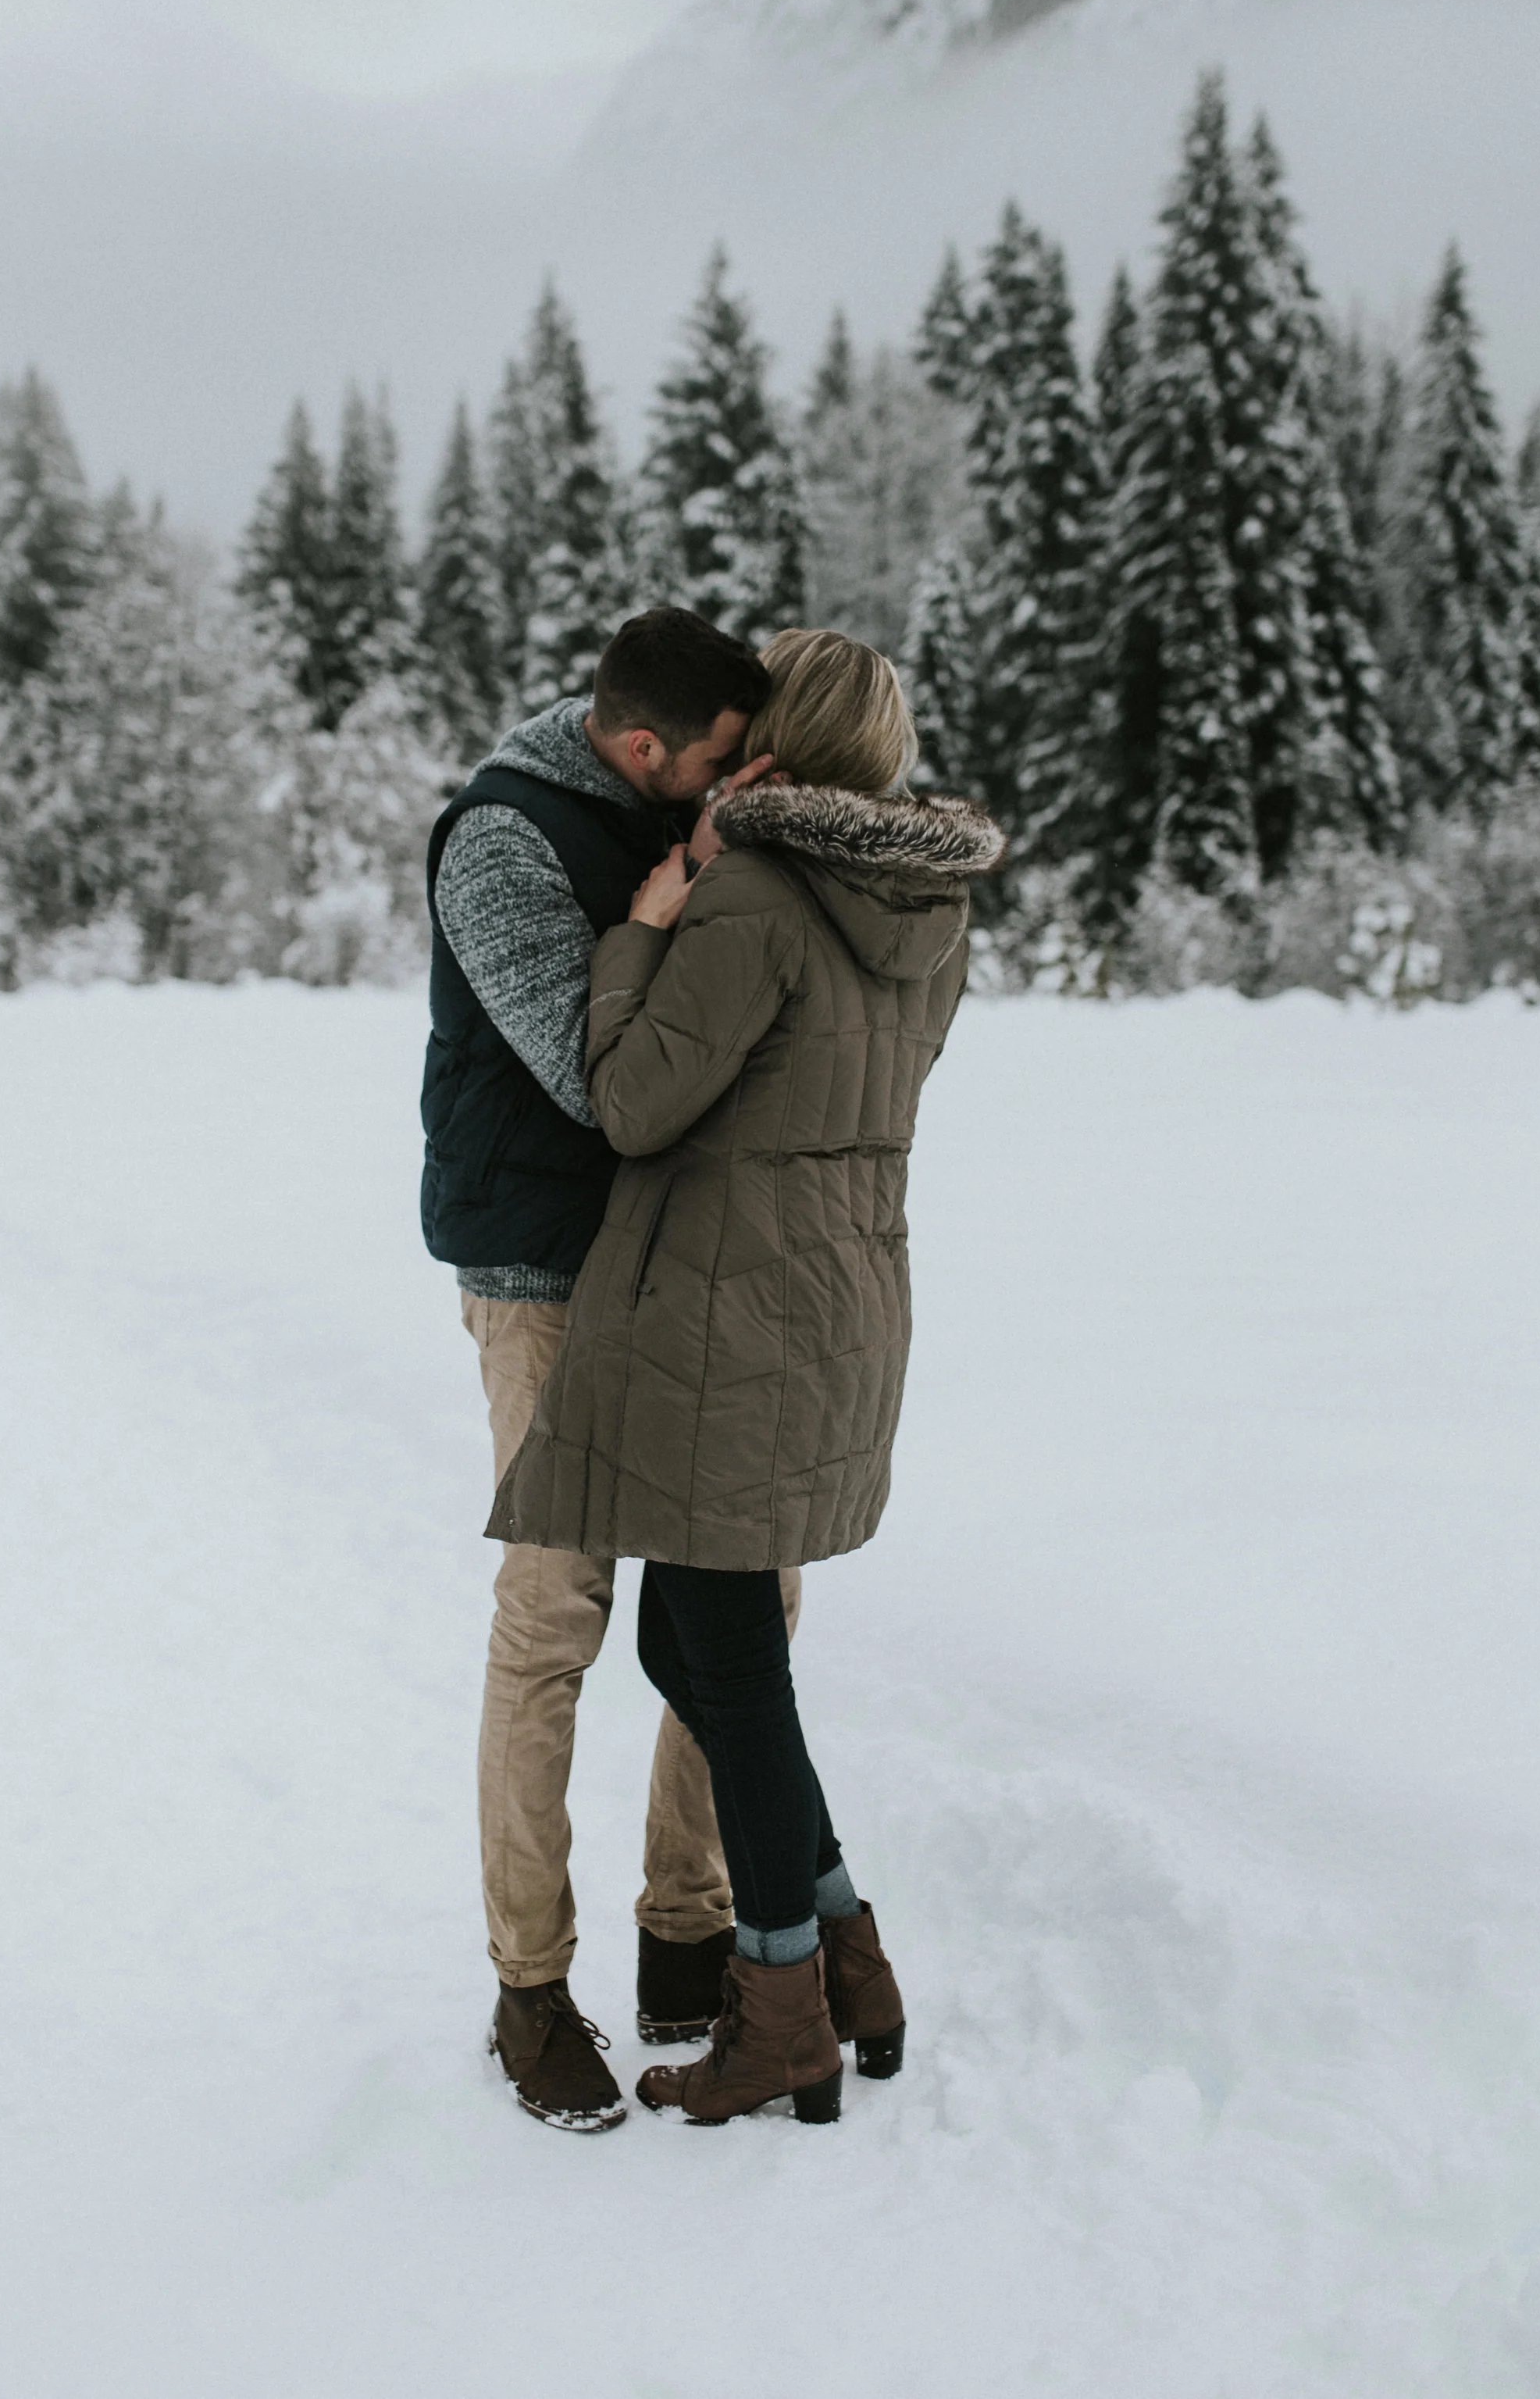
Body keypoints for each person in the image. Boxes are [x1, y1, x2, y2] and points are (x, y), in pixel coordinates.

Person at [490, 627, 1004, 2125]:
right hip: (842, 1300)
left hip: (727, 1316)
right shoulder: (934, 906)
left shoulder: (759, 894)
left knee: (722, 1658)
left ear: (781, 744)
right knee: (701, 1650)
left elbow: (639, 1102)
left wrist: (648, 925)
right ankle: (841, 1947)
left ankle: (786, 2005)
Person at [421, 605, 776, 2133]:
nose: (729, 783)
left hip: (683, 1260)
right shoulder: (499, 843)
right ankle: (527, 1987)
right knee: (556, 1608)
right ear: (641, 747)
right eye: (712, 761)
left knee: (732, 1596)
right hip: (547, 1272)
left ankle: (683, 1928)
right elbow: (596, 1078)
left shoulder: (677, 809)